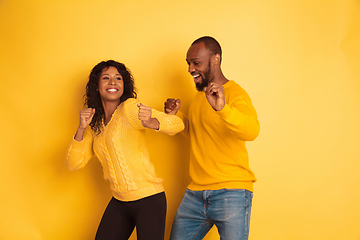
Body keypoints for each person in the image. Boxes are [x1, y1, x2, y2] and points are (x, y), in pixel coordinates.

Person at [66, 60, 184, 240]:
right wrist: (81, 128)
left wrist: (150, 122)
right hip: (120, 201)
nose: (112, 82)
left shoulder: (129, 108)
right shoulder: (94, 124)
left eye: (118, 78)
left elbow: (178, 124)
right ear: (96, 86)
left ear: (124, 85)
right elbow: (73, 164)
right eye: (106, 78)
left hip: (149, 200)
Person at [165, 36, 260, 240]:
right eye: (188, 63)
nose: (190, 69)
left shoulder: (235, 93)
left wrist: (223, 108)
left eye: (196, 63)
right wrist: (177, 116)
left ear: (215, 59)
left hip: (232, 192)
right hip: (195, 193)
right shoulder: (200, 98)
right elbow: (197, 132)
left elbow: (251, 131)